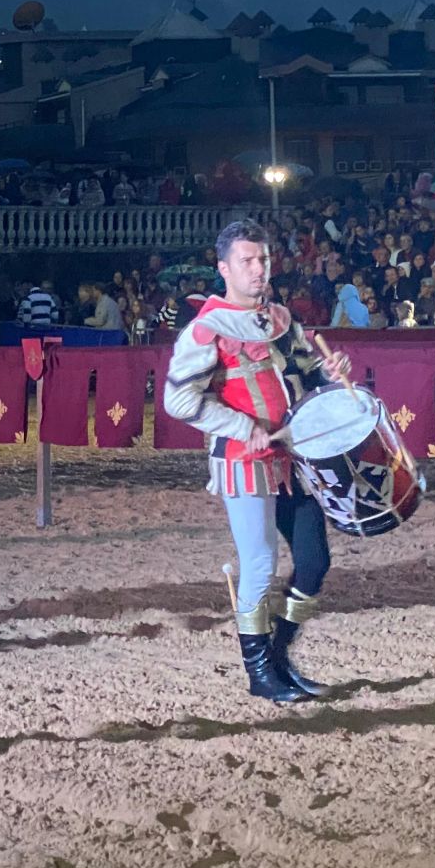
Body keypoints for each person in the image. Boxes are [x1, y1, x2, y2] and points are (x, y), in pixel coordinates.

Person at [163, 220, 351, 704]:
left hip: (291, 455)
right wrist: (244, 427)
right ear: (224, 267)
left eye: (263, 259)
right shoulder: (206, 327)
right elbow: (179, 402)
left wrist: (326, 371)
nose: (258, 269)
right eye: (247, 261)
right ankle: (259, 674)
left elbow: (305, 374)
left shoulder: (281, 318)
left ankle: (280, 660)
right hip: (242, 459)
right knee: (261, 565)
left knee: (314, 562)